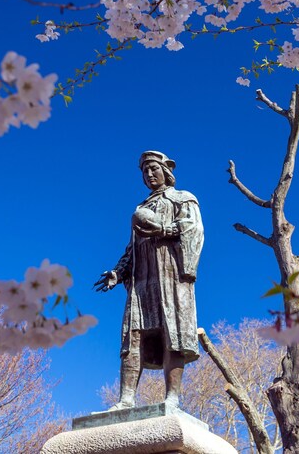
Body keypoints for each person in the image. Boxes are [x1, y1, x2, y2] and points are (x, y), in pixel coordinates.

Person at [94, 150, 204, 409]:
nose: (149, 174)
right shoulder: (141, 208)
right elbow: (131, 248)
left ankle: (172, 399)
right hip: (142, 281)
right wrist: (118, 272)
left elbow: (194, 229)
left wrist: (164, 229)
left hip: (170, 276)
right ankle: (126, 399)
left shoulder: (182, 198)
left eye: (153, 168)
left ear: (166, 171)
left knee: (172, 333)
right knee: (133, 335)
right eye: (145, 171)